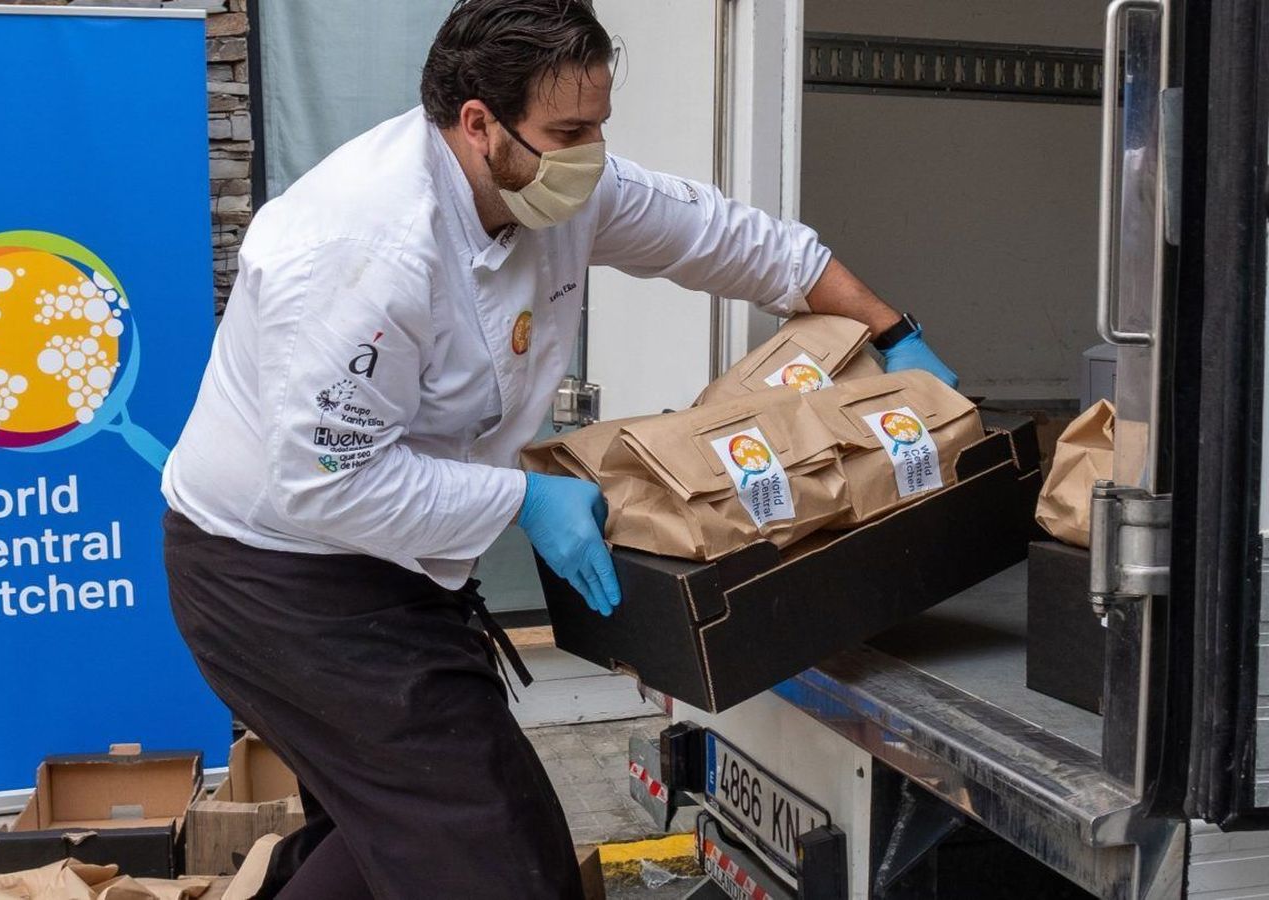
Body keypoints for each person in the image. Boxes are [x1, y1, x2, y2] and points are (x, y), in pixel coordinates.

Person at [161, 1, 958, 896]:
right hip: (278, 579)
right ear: (477, 125)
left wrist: (892, 332)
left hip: (394, 564)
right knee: (501, 858)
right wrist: (520, 500)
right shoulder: (365, 248)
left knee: (398, 836)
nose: (591, 153)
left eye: (599, 125)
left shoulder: (559, 185)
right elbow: (323, 484)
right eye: (569, 130)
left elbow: (737, 244)